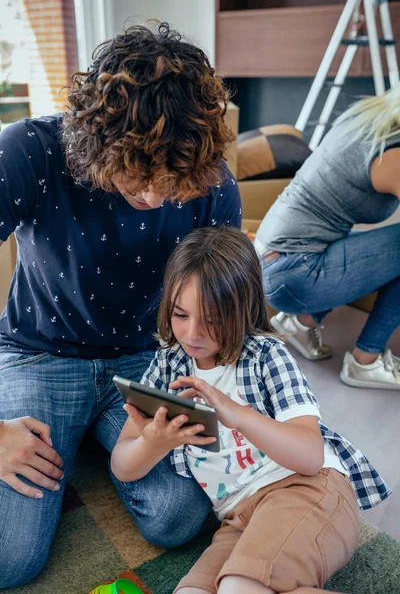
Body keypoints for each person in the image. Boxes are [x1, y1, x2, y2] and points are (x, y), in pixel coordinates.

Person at [0, 23, 241, 588]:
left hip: (144, 364)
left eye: (171, 183)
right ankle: (77, 437)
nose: (155, 199)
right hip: (39, 353)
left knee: (180, 517)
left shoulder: (212, 180)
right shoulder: (29, 151)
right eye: (137, 176)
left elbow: (227, 315)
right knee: (10, 559)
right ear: (94, 141)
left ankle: (88, 438)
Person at [111, 226, 390, 594]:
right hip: (238, 518)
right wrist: (153, 442)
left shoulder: (265, 356)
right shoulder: (167, 366)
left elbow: (309, 456)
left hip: (305, 490)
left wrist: (236, 413)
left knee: (240, 587)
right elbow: (122, 465)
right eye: (181, 314)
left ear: (242, 309)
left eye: (211, 320)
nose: (193, 333)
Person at [256, 85, 400, 390]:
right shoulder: (393, 152)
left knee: (376, 245)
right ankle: (366, 361)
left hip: (273, 259)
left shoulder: (367, 117)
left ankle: (301, 321)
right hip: (294, 271)